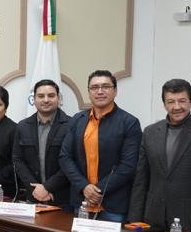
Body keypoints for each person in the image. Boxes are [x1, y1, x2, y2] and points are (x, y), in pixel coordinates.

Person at [127, 79, 191, 231]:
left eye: (182, 101)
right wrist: (134, 218)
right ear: (164, 104)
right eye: (170, 102)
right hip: (153, 217)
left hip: (190, 219)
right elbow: (141, 179)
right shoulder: (150, 132)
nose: (177, 107)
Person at [59, 69, 141, 222]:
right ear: (89, 92)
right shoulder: (77, 120)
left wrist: (97, 190)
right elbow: (65, 157)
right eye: (95, 87)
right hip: (81, 201)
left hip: (113, 205)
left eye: (106, 87)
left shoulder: (129, 123)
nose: (100, 91)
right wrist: (84, 187)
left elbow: (128, 165)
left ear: (115, 91)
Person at [12, 79, 73, 207]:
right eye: (40, 96)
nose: (46, 100)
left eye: (51, 95)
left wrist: (47, 187)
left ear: (58, 98)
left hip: (62, 198)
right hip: (33, 196)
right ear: (33, 99)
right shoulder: (22, 126)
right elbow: (18, 160)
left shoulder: (71, 125)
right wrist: (35, 189)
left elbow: (73, 162)